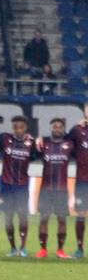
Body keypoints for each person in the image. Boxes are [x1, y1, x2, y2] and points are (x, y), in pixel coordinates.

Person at [0, 115, 37, 257]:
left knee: (22, 216)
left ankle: (23, 247)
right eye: (16, 127)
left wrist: (40, 140)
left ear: (25, 128)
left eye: (21, 127)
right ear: (12, 128)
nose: (18, 130)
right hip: (6, 185)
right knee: (8, 217)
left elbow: (37, 154)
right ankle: (13, 247)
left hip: (22, 185)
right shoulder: (4, 139)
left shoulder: (31, 143)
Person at [34, 117, 74, 259]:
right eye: (54, 127)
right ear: (51, 128)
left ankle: (60, 250)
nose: (57, 129)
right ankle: (43, 250)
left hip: (62, 190)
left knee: (62, 220)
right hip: (46, 189)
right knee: (44, 219)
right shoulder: (43, 144)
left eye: (59, 127)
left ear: (63, 129)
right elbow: (32, 151)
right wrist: (35, 141)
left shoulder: (70, 144)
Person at [65, 101, 88, 257]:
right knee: (81, 214)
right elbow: (63, 144)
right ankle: (80, 249)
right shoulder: (77, 130)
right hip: (83, 180)